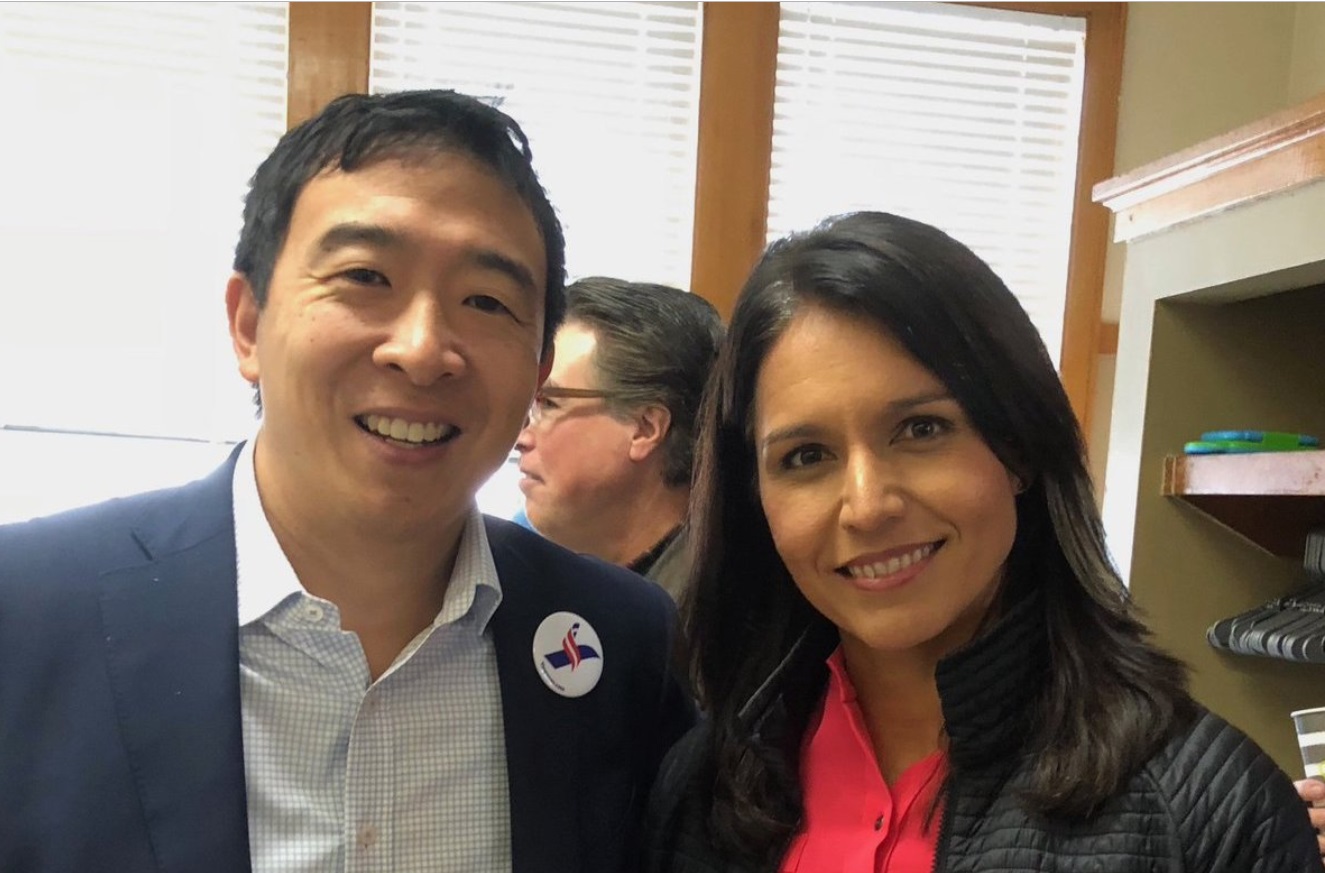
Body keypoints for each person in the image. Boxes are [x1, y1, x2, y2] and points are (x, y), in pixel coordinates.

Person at [0, 90, 695, 873]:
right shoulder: (27, 614)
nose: (423, 348)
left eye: (486, 300)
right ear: (248, 323)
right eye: (366, 275)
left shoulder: (619, 639)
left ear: (537, 370)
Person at [642, 211, 1319, 872]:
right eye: (805, 455)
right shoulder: (703, 792)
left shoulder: (1211, 813)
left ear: (1017, 446)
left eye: (921, 429)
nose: (868, 505)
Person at [514, 277, 723, 600]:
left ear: (645, 428)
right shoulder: (577, 583)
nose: (521, 437)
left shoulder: (705, 615)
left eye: (549, 403)